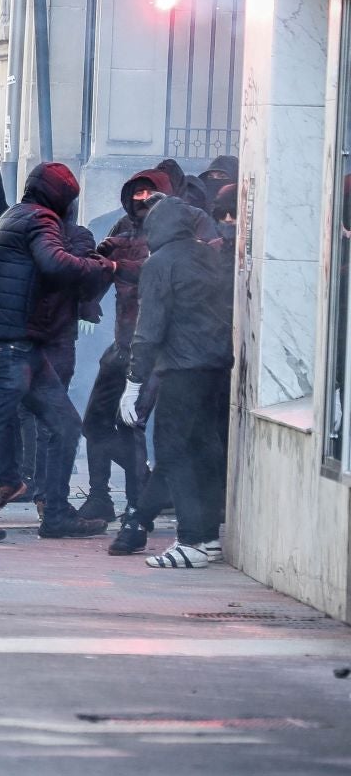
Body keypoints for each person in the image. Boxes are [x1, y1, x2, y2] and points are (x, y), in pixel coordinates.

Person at [0, 161, 115, 543]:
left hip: (17, 343)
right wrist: (100, 267)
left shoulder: (13, 217)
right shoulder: (39, 220)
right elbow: (55, 263)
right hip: (11, 345)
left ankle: (56, 514)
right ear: (60, 196)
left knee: (66, 424)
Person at [115, 196, 235, 566]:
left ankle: (192, 541)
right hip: (216, 368)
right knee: (207, 451)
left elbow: (148, 329)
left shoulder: (160, 264)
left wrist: (134, 382)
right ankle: (209, 538)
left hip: (182, 370)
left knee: (172, 451)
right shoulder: (207, 256)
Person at [82, 168, 171, 529]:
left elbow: (158, 270)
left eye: (149, 195)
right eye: (136, 195)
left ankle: (138, 507)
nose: (141, 202)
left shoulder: (174, 231)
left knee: (132, 424)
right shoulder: (120, 228)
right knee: (94, 423)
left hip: (153, 348)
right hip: (121, 345)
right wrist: (89, 293)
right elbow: (100, 267)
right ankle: (100, 496)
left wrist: (117, 264)